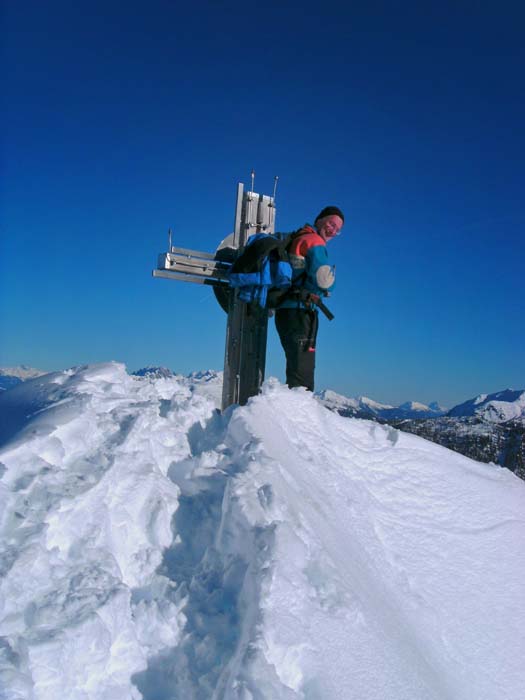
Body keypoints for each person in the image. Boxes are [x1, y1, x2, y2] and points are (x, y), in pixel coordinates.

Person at [275, 206, 344, 392]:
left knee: (296, 367)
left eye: (337, 229)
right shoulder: (314, 241)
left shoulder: (298, 238)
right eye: (331, 223)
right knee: (302, 375)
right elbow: (324, 280)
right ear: (319, 220)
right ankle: (298, 416)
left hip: (285, 310)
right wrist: (331, 283)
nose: (333, 230)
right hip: (300, 311)